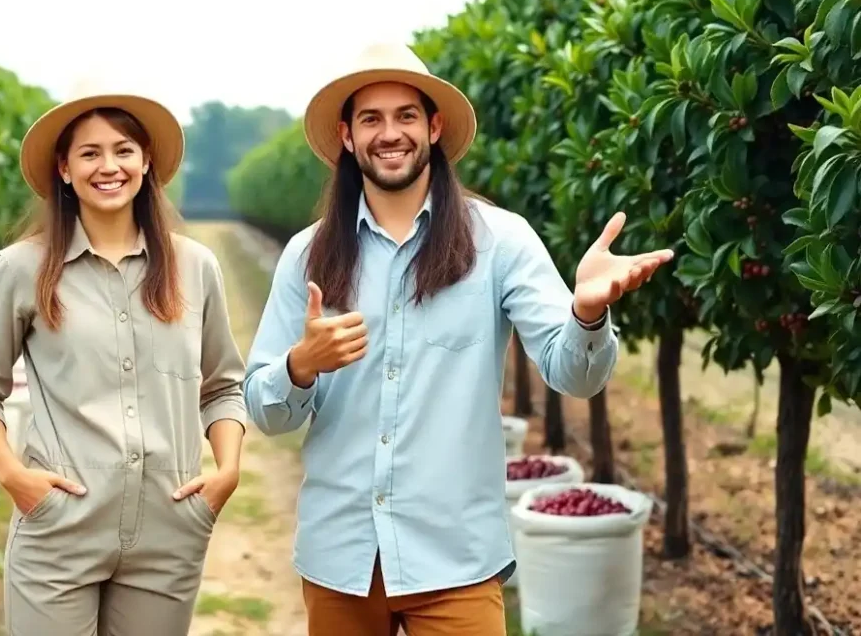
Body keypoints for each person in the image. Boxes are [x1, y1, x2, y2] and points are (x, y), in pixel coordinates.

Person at [242, 43, 674, 635]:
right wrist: (300, 366)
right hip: (341, 556)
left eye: (405, 116)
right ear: (347, 136)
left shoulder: (500, 242)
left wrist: (587, 315)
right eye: (371, 118)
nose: (389, 133)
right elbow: (265, 411)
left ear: (434, 127)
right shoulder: (308, 254)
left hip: (456, 559)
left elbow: (574, 374)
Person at [0, 79, 248, 635]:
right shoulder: (22, 269)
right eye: (89, 153)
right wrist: (15, 476)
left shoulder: (195, 267)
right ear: (64, 169)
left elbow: (222, 388)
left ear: (146, 163)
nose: (107, 166)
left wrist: (227, 473)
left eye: (123, 150)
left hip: (169, 530)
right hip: (60, 528)